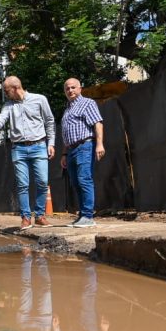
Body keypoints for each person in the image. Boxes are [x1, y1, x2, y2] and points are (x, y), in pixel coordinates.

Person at [0, 76, 56, 230]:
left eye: (6, 90)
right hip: (19, 149)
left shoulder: (39, 99)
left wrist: (51, 143)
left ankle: (40, 215)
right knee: (23, 185)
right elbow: (1, 118)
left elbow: (49, 121)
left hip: (39, 146)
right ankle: (25, 217)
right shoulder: (9, 106)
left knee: (42, 182)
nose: (5, 93)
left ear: (15, 88)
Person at [60, 78, 105, 228]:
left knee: (84, 179)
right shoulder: (67, 108)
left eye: (73, 87)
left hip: (85, 146)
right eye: (67, 88)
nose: (70, 90)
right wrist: (64, 154)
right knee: (76, 183)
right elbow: (66, 134)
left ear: (80, 88)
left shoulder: (87, 103)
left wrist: (99, 144)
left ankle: (88, 216)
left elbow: (97, 123)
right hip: (71, 150)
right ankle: (82, 215)